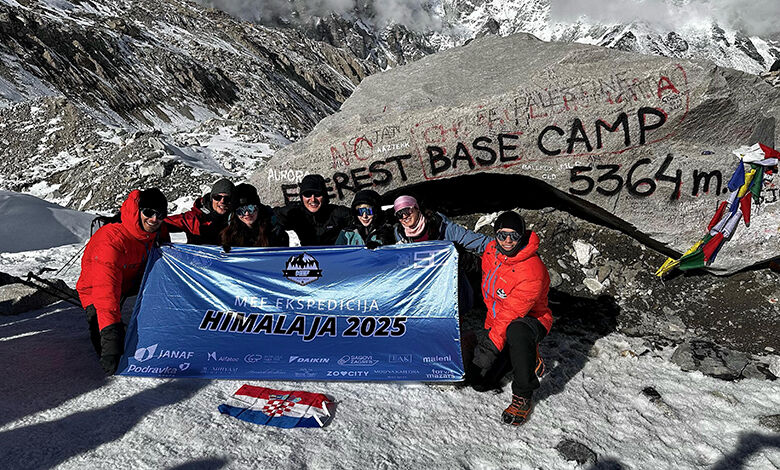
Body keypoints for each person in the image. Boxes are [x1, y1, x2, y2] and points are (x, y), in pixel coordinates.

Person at [76, 188, 170, 375]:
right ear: (138, 211)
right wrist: (111, 341)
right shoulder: (112, 240)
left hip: (129, 282)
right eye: (148, 212)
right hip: (95, 291)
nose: (154, 219)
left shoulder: (155, 233)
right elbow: (106, 294)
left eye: (160, 215)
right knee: (113, 350)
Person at [472, 211, 553, 426]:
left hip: (531, 321)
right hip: (501, 321)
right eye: (502, 235)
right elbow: (493, 300)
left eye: (514, 236)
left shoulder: (531, 270)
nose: (507, 241)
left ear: (522, 236)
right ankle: (527, 355)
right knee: (481, 382)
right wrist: (489, 333)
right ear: (495, 235)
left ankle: (523, 397)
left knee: (516, 331)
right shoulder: (491, 252)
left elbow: (511, 313)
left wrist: (490, 347)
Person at [392, 195, 490, 312]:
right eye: (399, 214)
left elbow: (474, 240)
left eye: (407, 211)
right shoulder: (400, 233)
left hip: (457, 272)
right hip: (427, 276)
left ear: (417, 208)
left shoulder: (441, 226)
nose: (404, 216)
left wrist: (500, 246)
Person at [274, 174, 351, 246]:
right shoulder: (295, 213)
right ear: (302, 197)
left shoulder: (337, 213)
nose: (313, 199)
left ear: (324, 196)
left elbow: (356, 215)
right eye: (307, 195)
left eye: (317, 194)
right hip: (306, 254)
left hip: (333, 254)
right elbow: (270, 216)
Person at [220, 183, 288, 251]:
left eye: (250, 208)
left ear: (258, 207)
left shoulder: (274, 230)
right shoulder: (229, 233)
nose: (247, 214)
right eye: (241, 211)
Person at [165, 178, 234, 245]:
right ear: (211, 198)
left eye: (227, 198)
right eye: (217, 197)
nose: (222, 201)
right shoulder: (195, 218)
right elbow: (162, 222)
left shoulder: (237, 218)